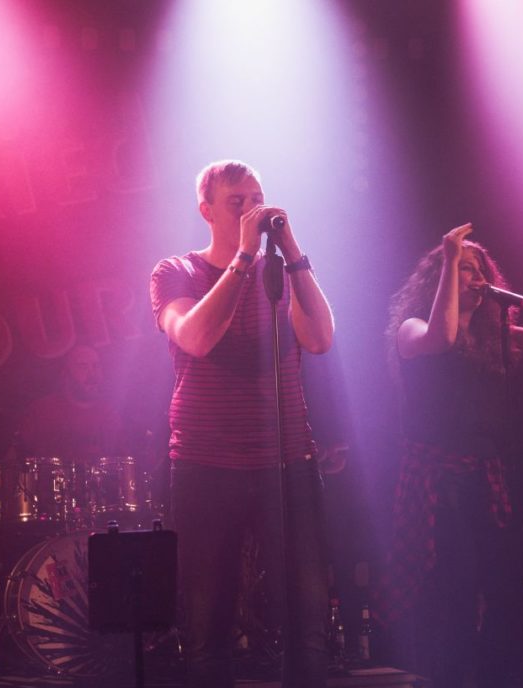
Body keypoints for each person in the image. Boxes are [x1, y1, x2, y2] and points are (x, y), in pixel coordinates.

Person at [149, 160, 335, 688]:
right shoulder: (177, 272)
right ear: (206, 211)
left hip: (287, 462)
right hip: (206, 465)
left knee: (308, 620)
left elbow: (321, 339)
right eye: (237, 202)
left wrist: (292, 251)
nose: (253, 210)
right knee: (208, 623)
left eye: (258, 199)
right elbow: (196, 337)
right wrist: (243, 258)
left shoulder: (281, 273)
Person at [383, 220, 523, 687]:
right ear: (438, 279)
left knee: (497, 588)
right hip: (437, 479)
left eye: (478, 270)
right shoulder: (412, 328)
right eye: (464, 269)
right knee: (451, 588)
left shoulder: (498, 339)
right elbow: (442, 338)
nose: (474, 278)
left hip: (484, 477)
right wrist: (451, 258)